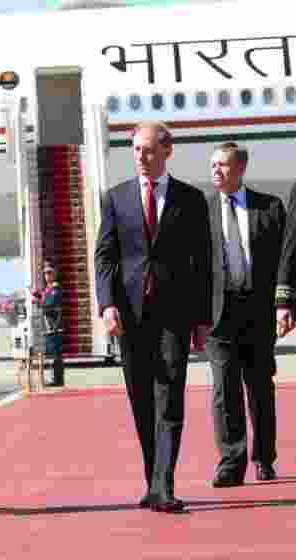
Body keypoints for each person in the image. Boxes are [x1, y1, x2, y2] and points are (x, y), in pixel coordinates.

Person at [93, 121, 211, 513]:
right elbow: (105, 257)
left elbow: (203, 264)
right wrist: (107, 305)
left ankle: (165, 483)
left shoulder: (191, 199)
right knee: (141, 400)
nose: (141, 157)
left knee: (170, 396)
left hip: (174, 315)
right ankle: (152, 480)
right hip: (129, 315)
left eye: (148, 150)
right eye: (136, 150)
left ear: (167, 151)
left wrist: (202, 319)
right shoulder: (116, 198)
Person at [203, 143, 284, 486]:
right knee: (224, 389)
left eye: (223, 165)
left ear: (241, 168)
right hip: (219, 313)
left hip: (258, 311)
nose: (216, 171)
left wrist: (285, 304)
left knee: (260, 389)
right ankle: (231, 463)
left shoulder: (270, 208)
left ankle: (264, 458)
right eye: (213, 166)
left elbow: (287, 260)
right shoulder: (200, 211)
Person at [31, 262, 65, 386]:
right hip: (49, 326)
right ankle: (55, 378)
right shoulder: (49, 289)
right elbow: (46, 300)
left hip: (55, 326)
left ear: (55, 273)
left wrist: (38, 301)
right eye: (45, 273)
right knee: (53, 354)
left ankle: (58, 380)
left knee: (56, 354)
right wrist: (38, 295)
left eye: (49, 272)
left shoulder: (56, 288)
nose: (47, 275)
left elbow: (49, 304)